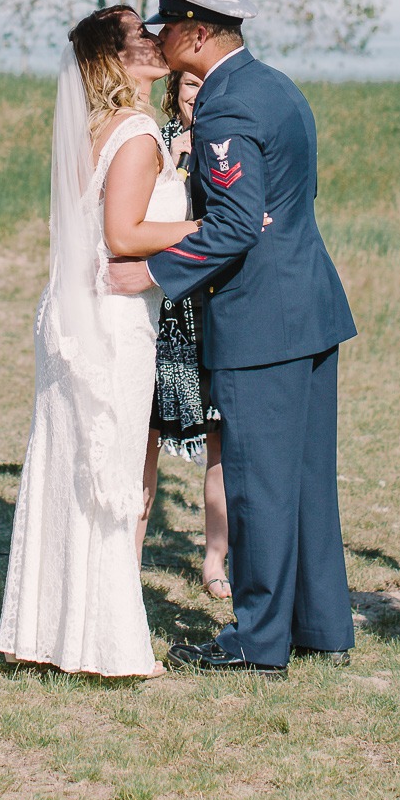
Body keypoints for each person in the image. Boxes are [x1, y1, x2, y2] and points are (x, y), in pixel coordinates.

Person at [109, 0, 357, 675]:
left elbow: (237, 224)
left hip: (260, 320)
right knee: (305, 480)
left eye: (166, 30)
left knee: (258, 486)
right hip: (307, 307)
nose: (160, 43)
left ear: (194, 30)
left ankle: (255, 642)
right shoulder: (272, 86)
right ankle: (318, 626)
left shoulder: (224, 105)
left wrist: (151, 271)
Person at [0, 6, 198, 678]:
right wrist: (204, 227)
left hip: (71, 314)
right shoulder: (137, 132)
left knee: (69, 468)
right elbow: (123, 236)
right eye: (139, 35)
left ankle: (47, 634)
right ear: (116, 60)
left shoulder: (93, 130)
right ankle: (101, 644)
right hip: (111, 324)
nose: (153, 40)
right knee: (106, 472)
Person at [138, 67, 231, 602]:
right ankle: (131, 549)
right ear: (174, 92)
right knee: (144, 434)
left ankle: (215, 558)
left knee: (221, 440)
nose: (198, 95)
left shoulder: (231, 145)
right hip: (165, 315)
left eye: (206, 85)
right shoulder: (157, 144)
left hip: (215, 314)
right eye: (189, 86)